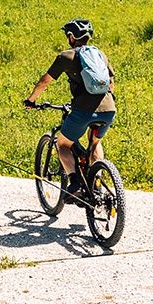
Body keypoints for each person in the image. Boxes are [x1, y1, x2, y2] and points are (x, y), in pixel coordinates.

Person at [24, 19, 115, 199]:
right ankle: (96, 183)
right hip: (108, 109)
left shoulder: (66, 56)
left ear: (71, 37)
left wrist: (31, 100)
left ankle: (74, 184)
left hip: (83, 111)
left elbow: (45, 81)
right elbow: (111, 82)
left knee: (63, 144)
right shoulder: (100, 54)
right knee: (94, 142)